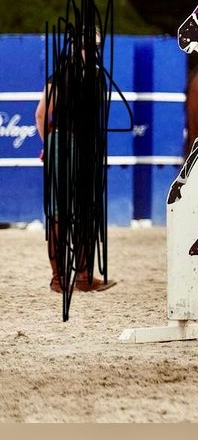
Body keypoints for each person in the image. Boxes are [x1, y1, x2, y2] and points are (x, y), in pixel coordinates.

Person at [35, 30, 117, 294]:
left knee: (60, 213)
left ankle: (59, 278)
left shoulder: (61, 74)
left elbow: (40, 114)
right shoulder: (95, 77)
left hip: (62, 141)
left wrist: (48, 144)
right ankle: (82, 276)